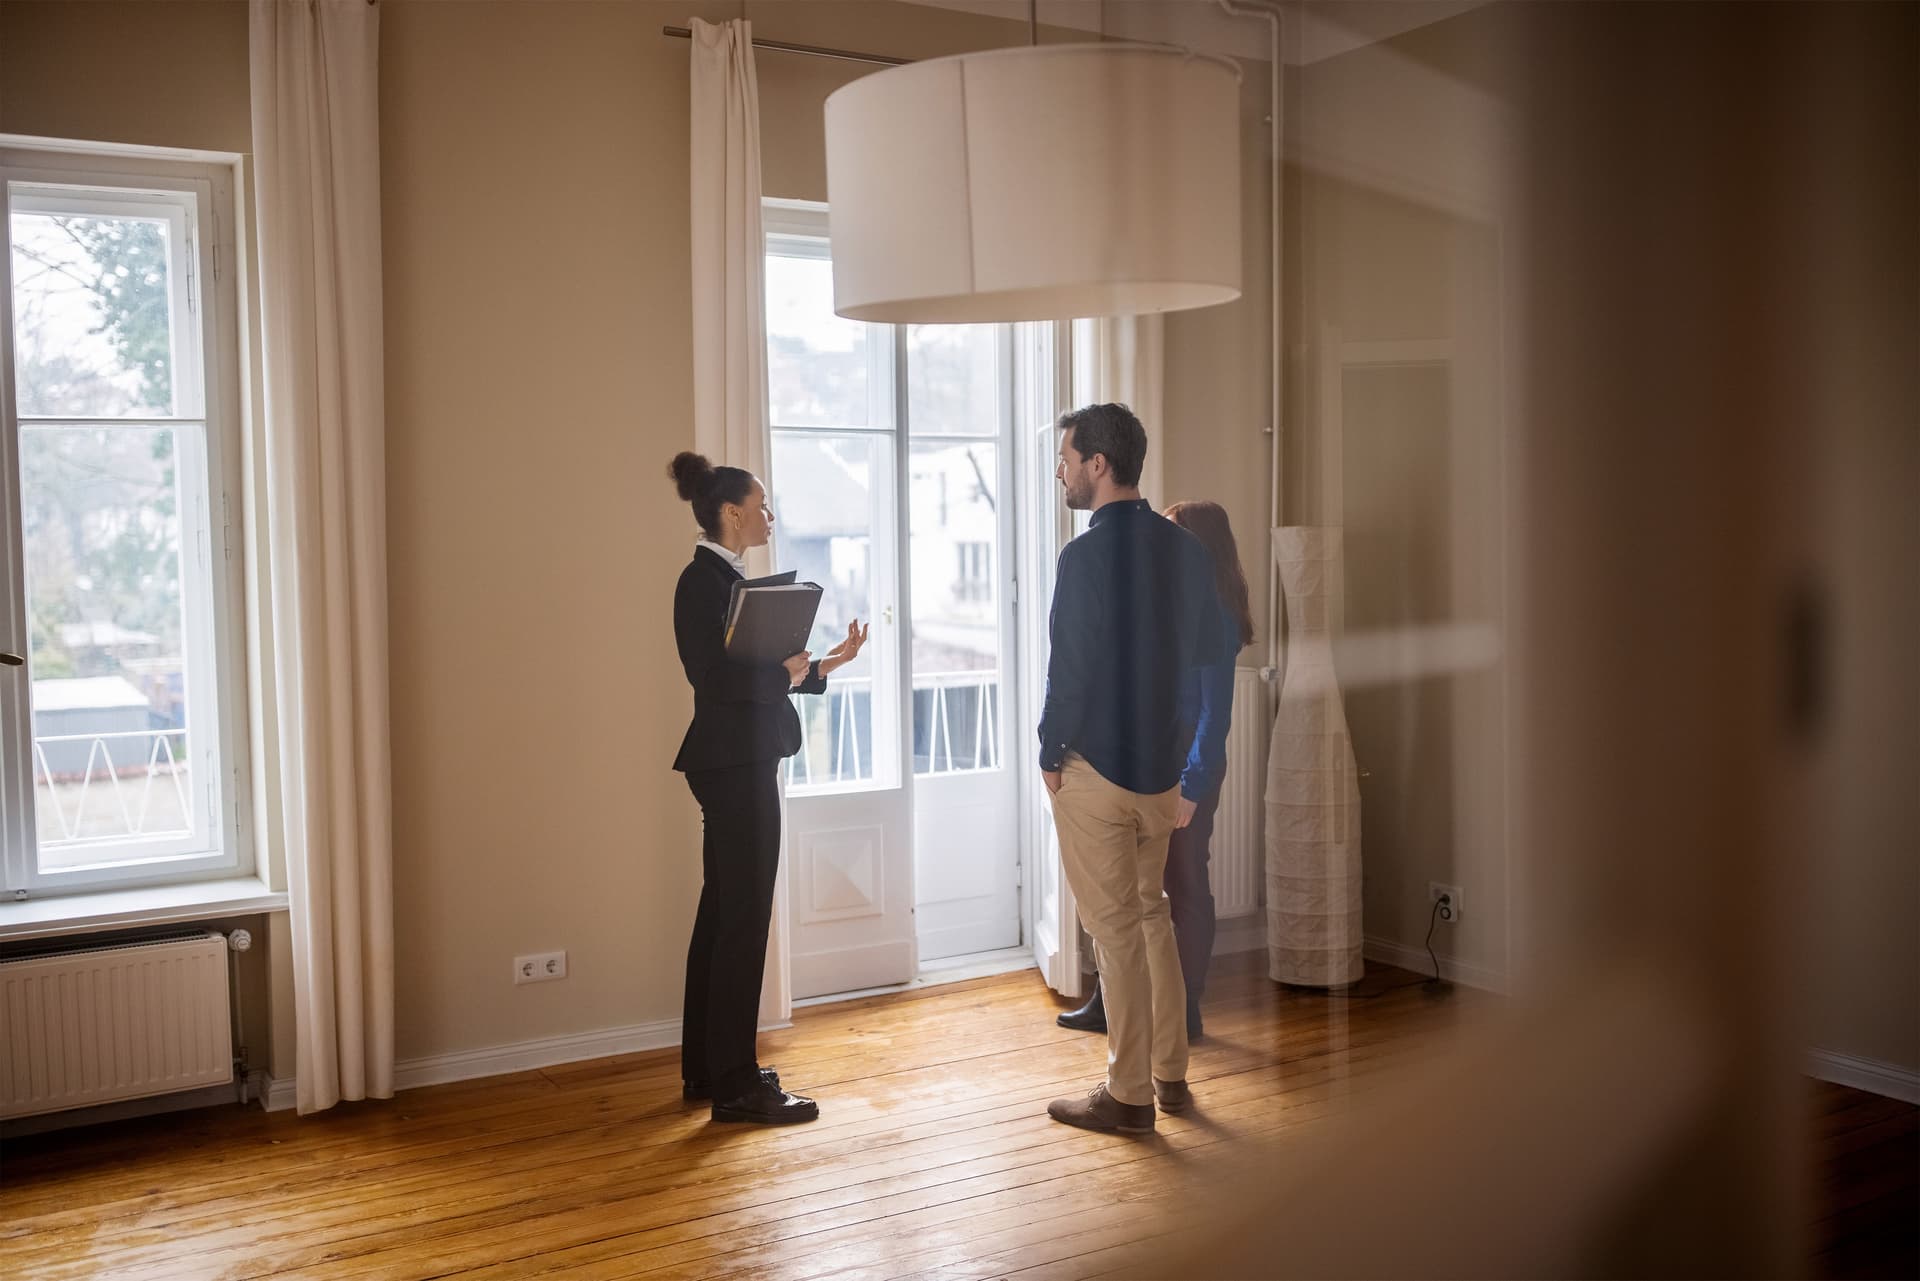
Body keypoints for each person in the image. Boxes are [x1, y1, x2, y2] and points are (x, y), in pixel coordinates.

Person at [1039, 404, 1230, 1135]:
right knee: (1150, 916)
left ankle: (1126, 1094)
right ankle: (1172, 1074)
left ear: (1098, 465)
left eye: (1067, 457)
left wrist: (1049, 753)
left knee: (1116, 929)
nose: (1061, 469)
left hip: (1096, 771)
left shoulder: (1083, 558)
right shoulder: (1185, 550)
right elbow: (1212, 651)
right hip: (1160, 773)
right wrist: (1184, 752)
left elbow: (1071, 671)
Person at [668, 450, 867, 1125]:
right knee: (743, 919)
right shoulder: (702, 585)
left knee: (723, 913)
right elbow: (719, 683)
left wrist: (826, 663)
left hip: (736, 761)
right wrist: (784, 675)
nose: (771, 517)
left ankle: (707, 1067)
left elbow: (759, 673)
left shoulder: (724, 583)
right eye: (761, 506)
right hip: (733, 765)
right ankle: (735, 1082)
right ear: (732, 513)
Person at [1056, 499, 1253, 1042]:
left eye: (1169, 533)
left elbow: (1216, 718)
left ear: (1197, 547)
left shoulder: (1214, 612)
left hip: (1187, 770)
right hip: (1149, 758)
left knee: (1183, 885)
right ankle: (1109, 1001)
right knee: (1127, 889)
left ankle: (1185, 1009)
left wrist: (1192, 787)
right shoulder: (1168, 606)